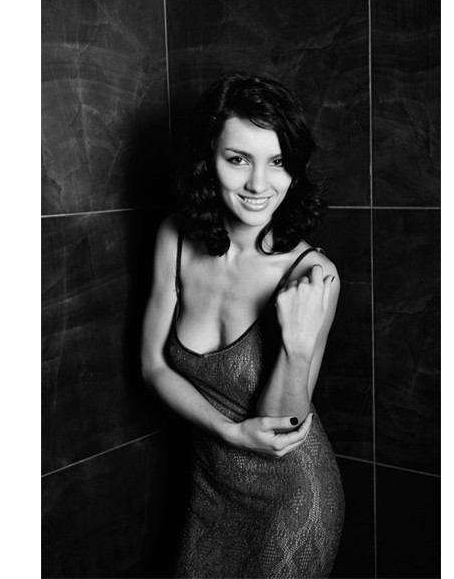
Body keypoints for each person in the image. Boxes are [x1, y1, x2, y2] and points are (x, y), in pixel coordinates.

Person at [141, 73, 344, 578]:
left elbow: (284, 428)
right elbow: (153, 367)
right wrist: (227, 432)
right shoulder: (175, 238)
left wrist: (297, 347)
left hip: (292, 502)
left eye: (277, 161)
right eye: (238, 159)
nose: (259, 184)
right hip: (210, 488)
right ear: (208, 159)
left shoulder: (312, 274)